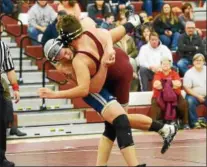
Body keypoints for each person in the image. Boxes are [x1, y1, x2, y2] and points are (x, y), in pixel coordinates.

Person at [39, 15, 177, 166]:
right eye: (61, 56)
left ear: (65, 41)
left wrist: (112, 45)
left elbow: (107, 33)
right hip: (104, 80)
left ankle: (164, 130)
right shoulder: (75, 59)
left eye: (64, 51)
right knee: (120, 121)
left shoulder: (87, 37)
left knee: (117, 123)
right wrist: (105, 60)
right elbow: (91, 88)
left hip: (117, 75)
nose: (66, 55)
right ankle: (160, 134)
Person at [149, 57, 190, 129]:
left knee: (183, 103)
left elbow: (179, 84)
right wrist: (171, 84)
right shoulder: (158, 74)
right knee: (155, 104)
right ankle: (154, 125)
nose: (165, 65)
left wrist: (164, 84)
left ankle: (185, 123)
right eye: (164, 64)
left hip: (174, 95)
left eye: (167, 64)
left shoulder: (174, 73)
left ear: (170, 65)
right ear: (161, 65)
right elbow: (156, 85)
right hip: (159, 95)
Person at [0, 40, 20, 167]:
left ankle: (1, 159)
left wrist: (15, 88)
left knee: (1, 124)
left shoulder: (2, 46)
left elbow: (10, 69)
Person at [183, 53, 207, 129]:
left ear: (204, 62)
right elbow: (187, 88)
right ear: (193, 62)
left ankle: (205, 122)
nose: (198, 62)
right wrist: (198, 96)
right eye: (196, 60)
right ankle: (194, 123)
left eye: (200, 60)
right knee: (190, 101)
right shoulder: (189, 73)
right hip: (193, 95)